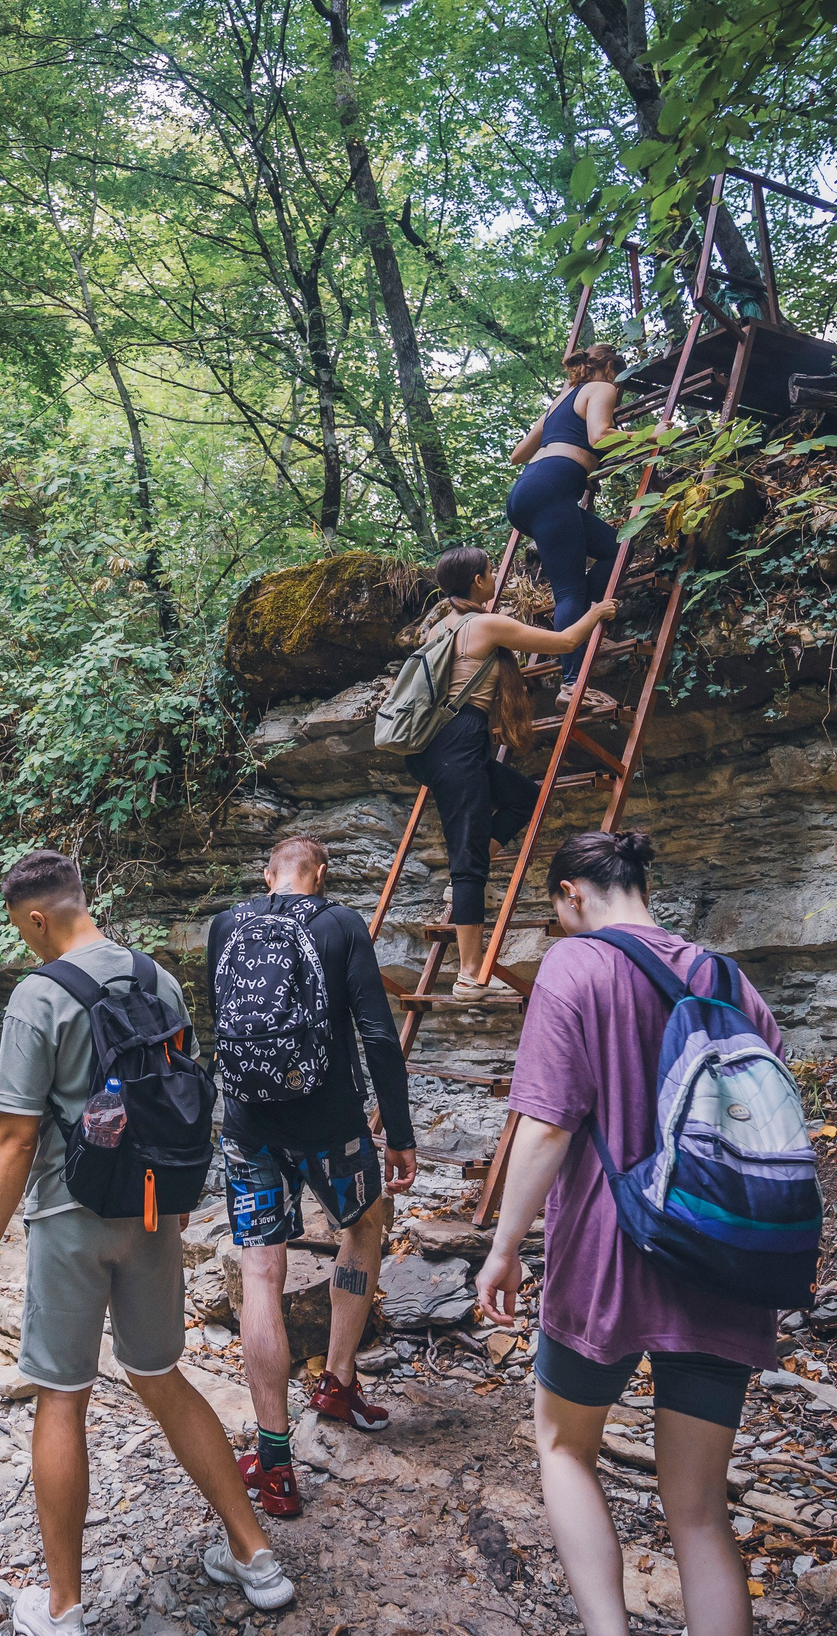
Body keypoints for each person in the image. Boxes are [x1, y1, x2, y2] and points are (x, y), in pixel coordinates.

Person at [0, 850, 295, 1636]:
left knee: (61, 1397)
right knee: (161, 1375)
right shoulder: (157, 980)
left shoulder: (38, 995)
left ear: (37, 917)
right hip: (154, 1213)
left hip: (70, 1216)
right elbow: (175, 1101)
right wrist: (173, 1214)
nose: (26, 944)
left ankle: (64, 1608)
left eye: (23, 931)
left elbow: (12, 1138)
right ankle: (257, 1557)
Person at [473, 830, 781, 1636]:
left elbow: (544, 1127)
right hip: (724, 1256)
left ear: (572, 893)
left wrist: (504, 1248)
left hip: (610, 1256)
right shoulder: (726, 976)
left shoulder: (575, 965)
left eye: (555, 912)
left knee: (564, 1446)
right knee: (701, 1512)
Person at [201, 835, 416, 1519]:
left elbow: (224, 1024)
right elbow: (379, 1037)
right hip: (331, 1122)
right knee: (366, 1223)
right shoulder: (341, 922)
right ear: (319, 875)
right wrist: (400, 1133)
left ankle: (274, 1464)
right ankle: (338, 1381)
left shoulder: (226, 924)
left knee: (261, 1272)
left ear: (267, 875)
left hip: (247, 1124)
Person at [403, 546, 616, 1001]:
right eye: (490, 571)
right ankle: (468, 974)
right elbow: (563, 643)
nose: (496, 574)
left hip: (442, 747)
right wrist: (595, 612)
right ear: (478, 582)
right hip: (457, 746)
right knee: (468, 867)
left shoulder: (442, 625)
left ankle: (466, 871)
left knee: (523, 796)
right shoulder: (483, 624)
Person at [507, 343, 624, 702]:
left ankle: (582, 622)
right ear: (607, 368)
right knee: (569, 591)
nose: (618, 385)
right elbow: (600, 435)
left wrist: (576, 465)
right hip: (552, 489)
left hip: (526, 492)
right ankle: (573, 685)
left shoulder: (560, 402)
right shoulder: (602, 388)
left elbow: (517, 455)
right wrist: (655, 434)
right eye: (617, 374)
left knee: (615, 549)